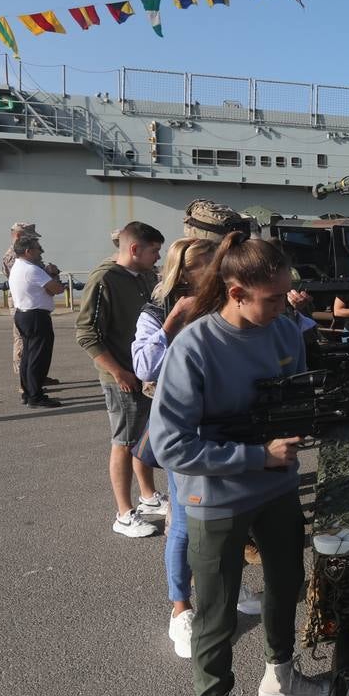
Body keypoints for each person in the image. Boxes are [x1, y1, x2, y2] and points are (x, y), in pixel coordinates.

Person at [148, 233, 349, 696]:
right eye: (275, 297)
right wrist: (255, 456)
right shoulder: (195, 346)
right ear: (236, 292)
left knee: (287, 582)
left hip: (276, 488)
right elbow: (168, 444)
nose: (288, 306)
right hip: (216, 497)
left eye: (286, 295)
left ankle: (279, 674)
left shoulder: (281, 330)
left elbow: (300, 402)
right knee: (216, 611)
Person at [131, 237, 220, 658]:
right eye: (208, 264)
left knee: (224, 518)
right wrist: (175, 320)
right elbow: (145, 366)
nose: (217, 270)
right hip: (184, 429)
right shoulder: (157, 311)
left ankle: (219, 590)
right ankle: (180, 608)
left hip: (225, 422)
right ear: (183, 272)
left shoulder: (225, 302)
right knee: (183, 524)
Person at [76, 221, 168, 539]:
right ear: (135, 249)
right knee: (125, 443)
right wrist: (118, 372)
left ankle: (148, 497)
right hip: (123, 377)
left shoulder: (143, 276)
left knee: (143, 437)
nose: (158, 257)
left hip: (142, 372)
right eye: (154, 251)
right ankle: (124, 513)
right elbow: (86, 333)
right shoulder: (105, 279)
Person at [9, 235, 66, 409]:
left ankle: (28, 392)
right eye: (38, 248)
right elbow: (57, 289)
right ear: (28, 251)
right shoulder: (32, 270)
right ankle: (36, 395)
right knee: (38, 357)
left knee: (28, 355)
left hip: (23, 314)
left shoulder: (18, 267)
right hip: (36, 317)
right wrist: (54, 274)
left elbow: (46, 291)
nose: (41, 252)